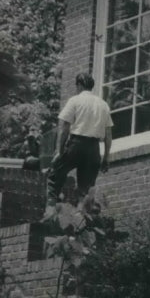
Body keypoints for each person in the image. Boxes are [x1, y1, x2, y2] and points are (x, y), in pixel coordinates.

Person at [46, 72, 113, 205]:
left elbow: (65, 128)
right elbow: (108, 135)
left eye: (76, 85)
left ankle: (50, 209)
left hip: (76, 144)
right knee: (86, 191)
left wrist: (59, 152)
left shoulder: (75, 100)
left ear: (80, 85)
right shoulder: (103, 105)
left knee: (55, 174)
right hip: (94, 148)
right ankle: (84, 219)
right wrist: (105, 158)